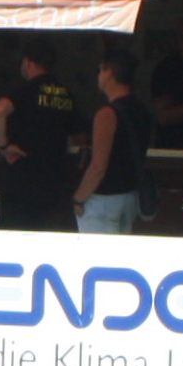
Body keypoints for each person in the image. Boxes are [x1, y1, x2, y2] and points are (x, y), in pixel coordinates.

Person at [0, 48, 74, 230]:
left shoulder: (26, 90)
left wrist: (4, 146)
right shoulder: (66, 94)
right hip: (52, 181)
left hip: (21, 179)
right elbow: (80, 132)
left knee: (12, 236)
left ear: (28, 63)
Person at [70, 53, 154, 235]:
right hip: (130, 196)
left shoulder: (107, 114)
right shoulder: (142, 110)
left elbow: (98, 166)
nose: (98, 75)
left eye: (100, 70)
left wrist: (78, 198)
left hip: (103, 200)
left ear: (110, 73)